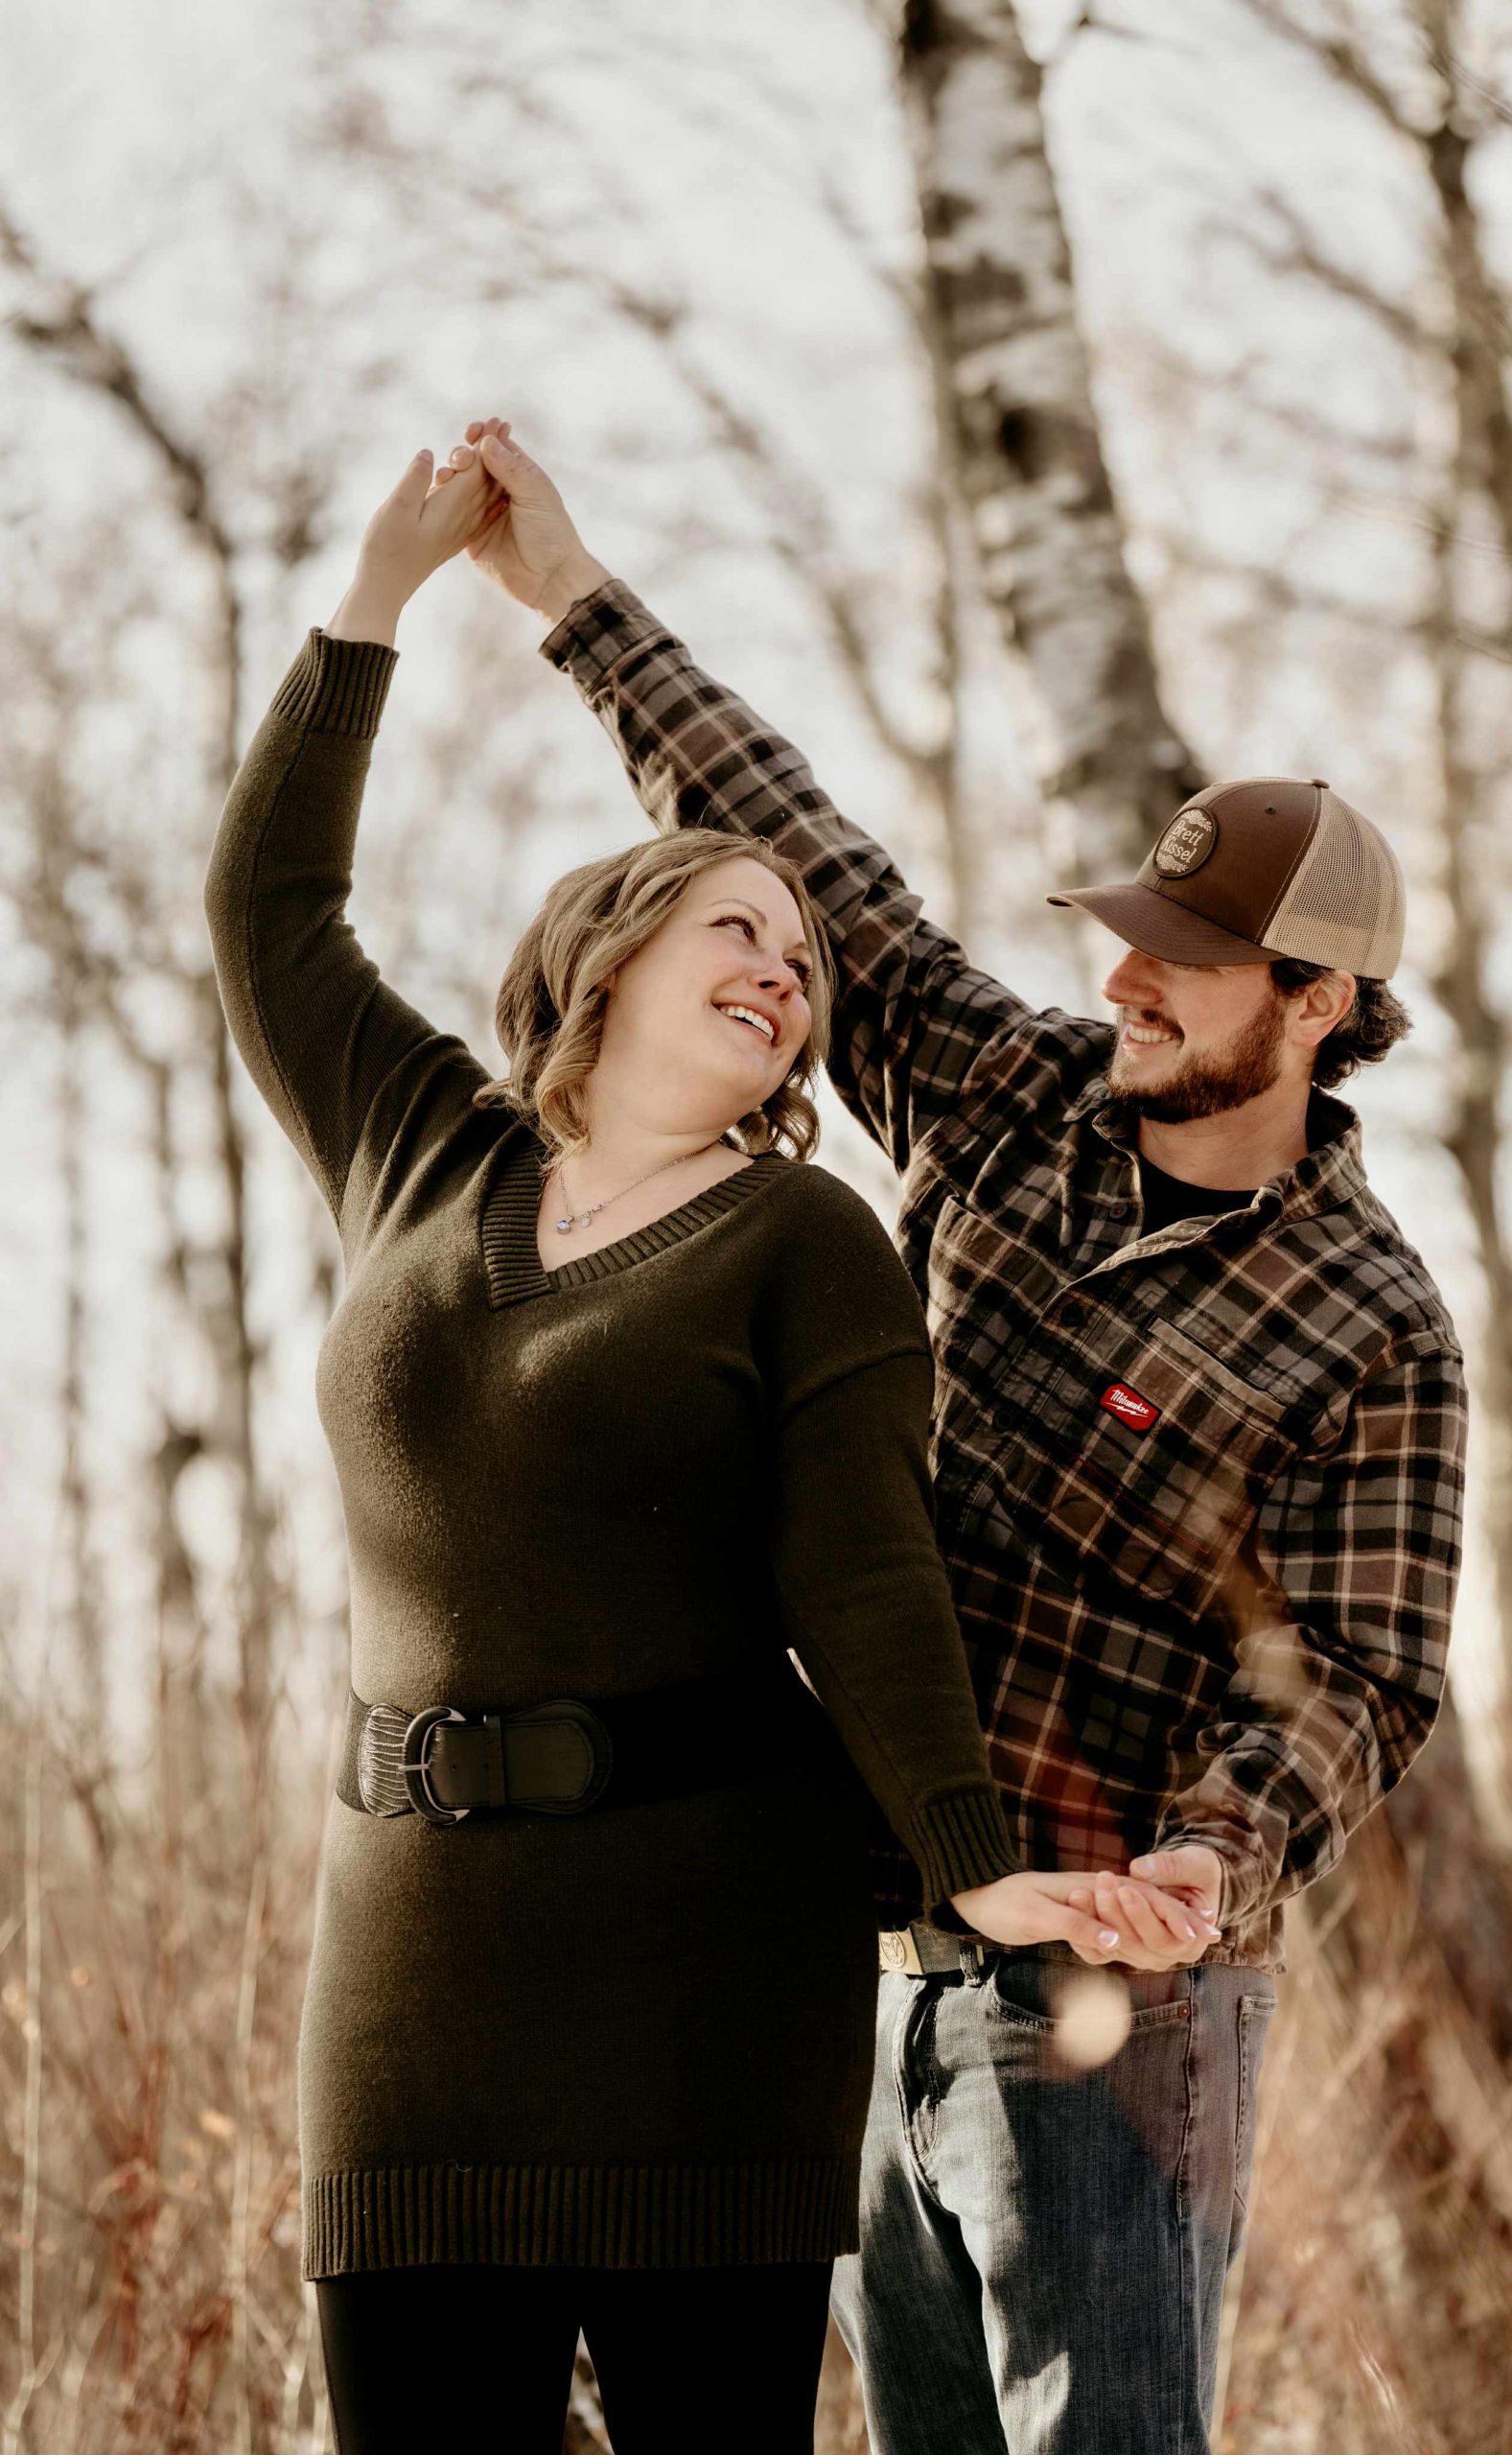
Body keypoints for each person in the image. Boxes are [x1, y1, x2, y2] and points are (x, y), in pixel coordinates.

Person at [448, 415, 1471, 2454]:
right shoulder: (1012, 1095)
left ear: (1314, 1001)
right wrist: (563, 591)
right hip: (875, 1949)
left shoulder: (1376, 1323)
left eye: (1190, 961)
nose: (1127, 977)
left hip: (1118, 2010)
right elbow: (797, 848)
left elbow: (1358, 1675)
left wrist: (1210, 1852)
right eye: (1132, 933)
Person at [202, 442, 1152, 2455]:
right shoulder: (418, 1148)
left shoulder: (801, 1237)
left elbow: (865, 1568)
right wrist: (372, 602)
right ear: (610, 950)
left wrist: (974, 1865)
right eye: (739, 927)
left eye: (803, 967)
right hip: (410, 1958)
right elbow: (267, 910)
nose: (782, 975)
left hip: (706, 1956)